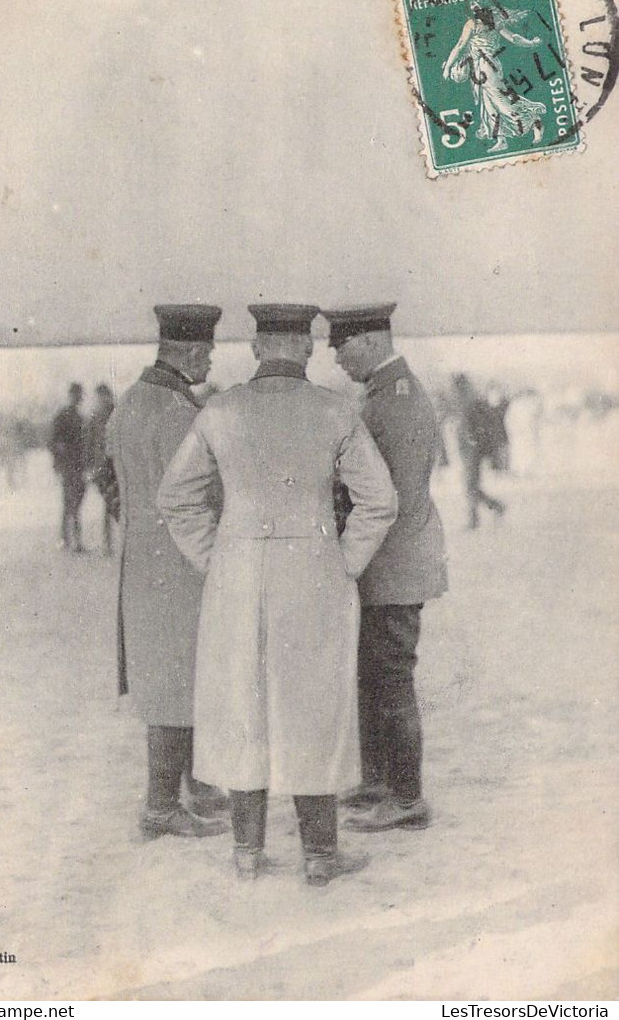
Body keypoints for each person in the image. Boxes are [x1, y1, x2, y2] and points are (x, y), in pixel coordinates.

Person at [157, 304, 398, 885]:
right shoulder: (335, 409)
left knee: (243, 698)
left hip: (236, 573)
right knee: (311, 704)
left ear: (258, 347)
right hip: (312, 572)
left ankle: (246, 852)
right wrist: (344, 562)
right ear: (308, 349)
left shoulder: (220, 410)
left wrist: (216, 558)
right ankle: (319, 856)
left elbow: (175, 500)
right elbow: (380, 501)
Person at [322, 304, 448, 832]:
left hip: (392, 565)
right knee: (374, 676)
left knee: (390, 679)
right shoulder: (385, 392)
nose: (335, 356)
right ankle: (379, 782)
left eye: (341, 346)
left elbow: (380, 495)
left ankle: (406, 797)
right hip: (389, 564)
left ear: (370, 340)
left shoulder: (392, 402)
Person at [105, 304, 228, 840]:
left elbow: (113, 487)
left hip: (141, 563)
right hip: (182, 562)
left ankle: (193, 788)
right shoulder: (182, 414)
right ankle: (160, 807)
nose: (211, 360)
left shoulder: (127, 404)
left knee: (167, 676)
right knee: (179, 680)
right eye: (209, 352)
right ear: (193, 351)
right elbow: (205, 491)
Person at [442, 0, 545, 154]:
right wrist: (530, 43)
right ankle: (501, 139)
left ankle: (533, 119)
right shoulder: (480, 22)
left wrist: (530, 43)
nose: (474, 6)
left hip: (487, 67)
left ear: (482, 5)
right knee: (488, 105)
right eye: (472, 3)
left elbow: (512, 37)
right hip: (480, 67)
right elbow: (462, 45)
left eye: (477, 2)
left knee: (500, 101)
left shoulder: (484, 22)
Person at [453, 373, 506, 529]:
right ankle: (496, 507)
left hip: (472, 451)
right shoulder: (468, 401)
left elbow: (479, 427)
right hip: (468, 450)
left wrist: (474, 443)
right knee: (471, 486)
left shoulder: (471, 402)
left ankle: (475, 519)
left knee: (470, 485)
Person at [49, 383, 87, 553]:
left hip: (77, 466)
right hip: (68, 466)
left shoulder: (80, 417)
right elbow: (52, 442)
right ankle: (71, 540)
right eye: (76, 395)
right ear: (71, 395)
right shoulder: (62, 416)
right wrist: (58, 462)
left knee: (74, 503)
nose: (78, 398)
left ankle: (67, 538)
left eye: (79, 395)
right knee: (71, 503)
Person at [86, 383, 117, 556]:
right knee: (108, 504)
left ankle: (112, 542)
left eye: (103, 396)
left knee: (114, 505)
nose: (101, 400)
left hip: (115, 466)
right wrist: (89, 466)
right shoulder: (95, 417)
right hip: (102, 468)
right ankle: (107, 542)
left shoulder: (117, 413)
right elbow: (89, 444)